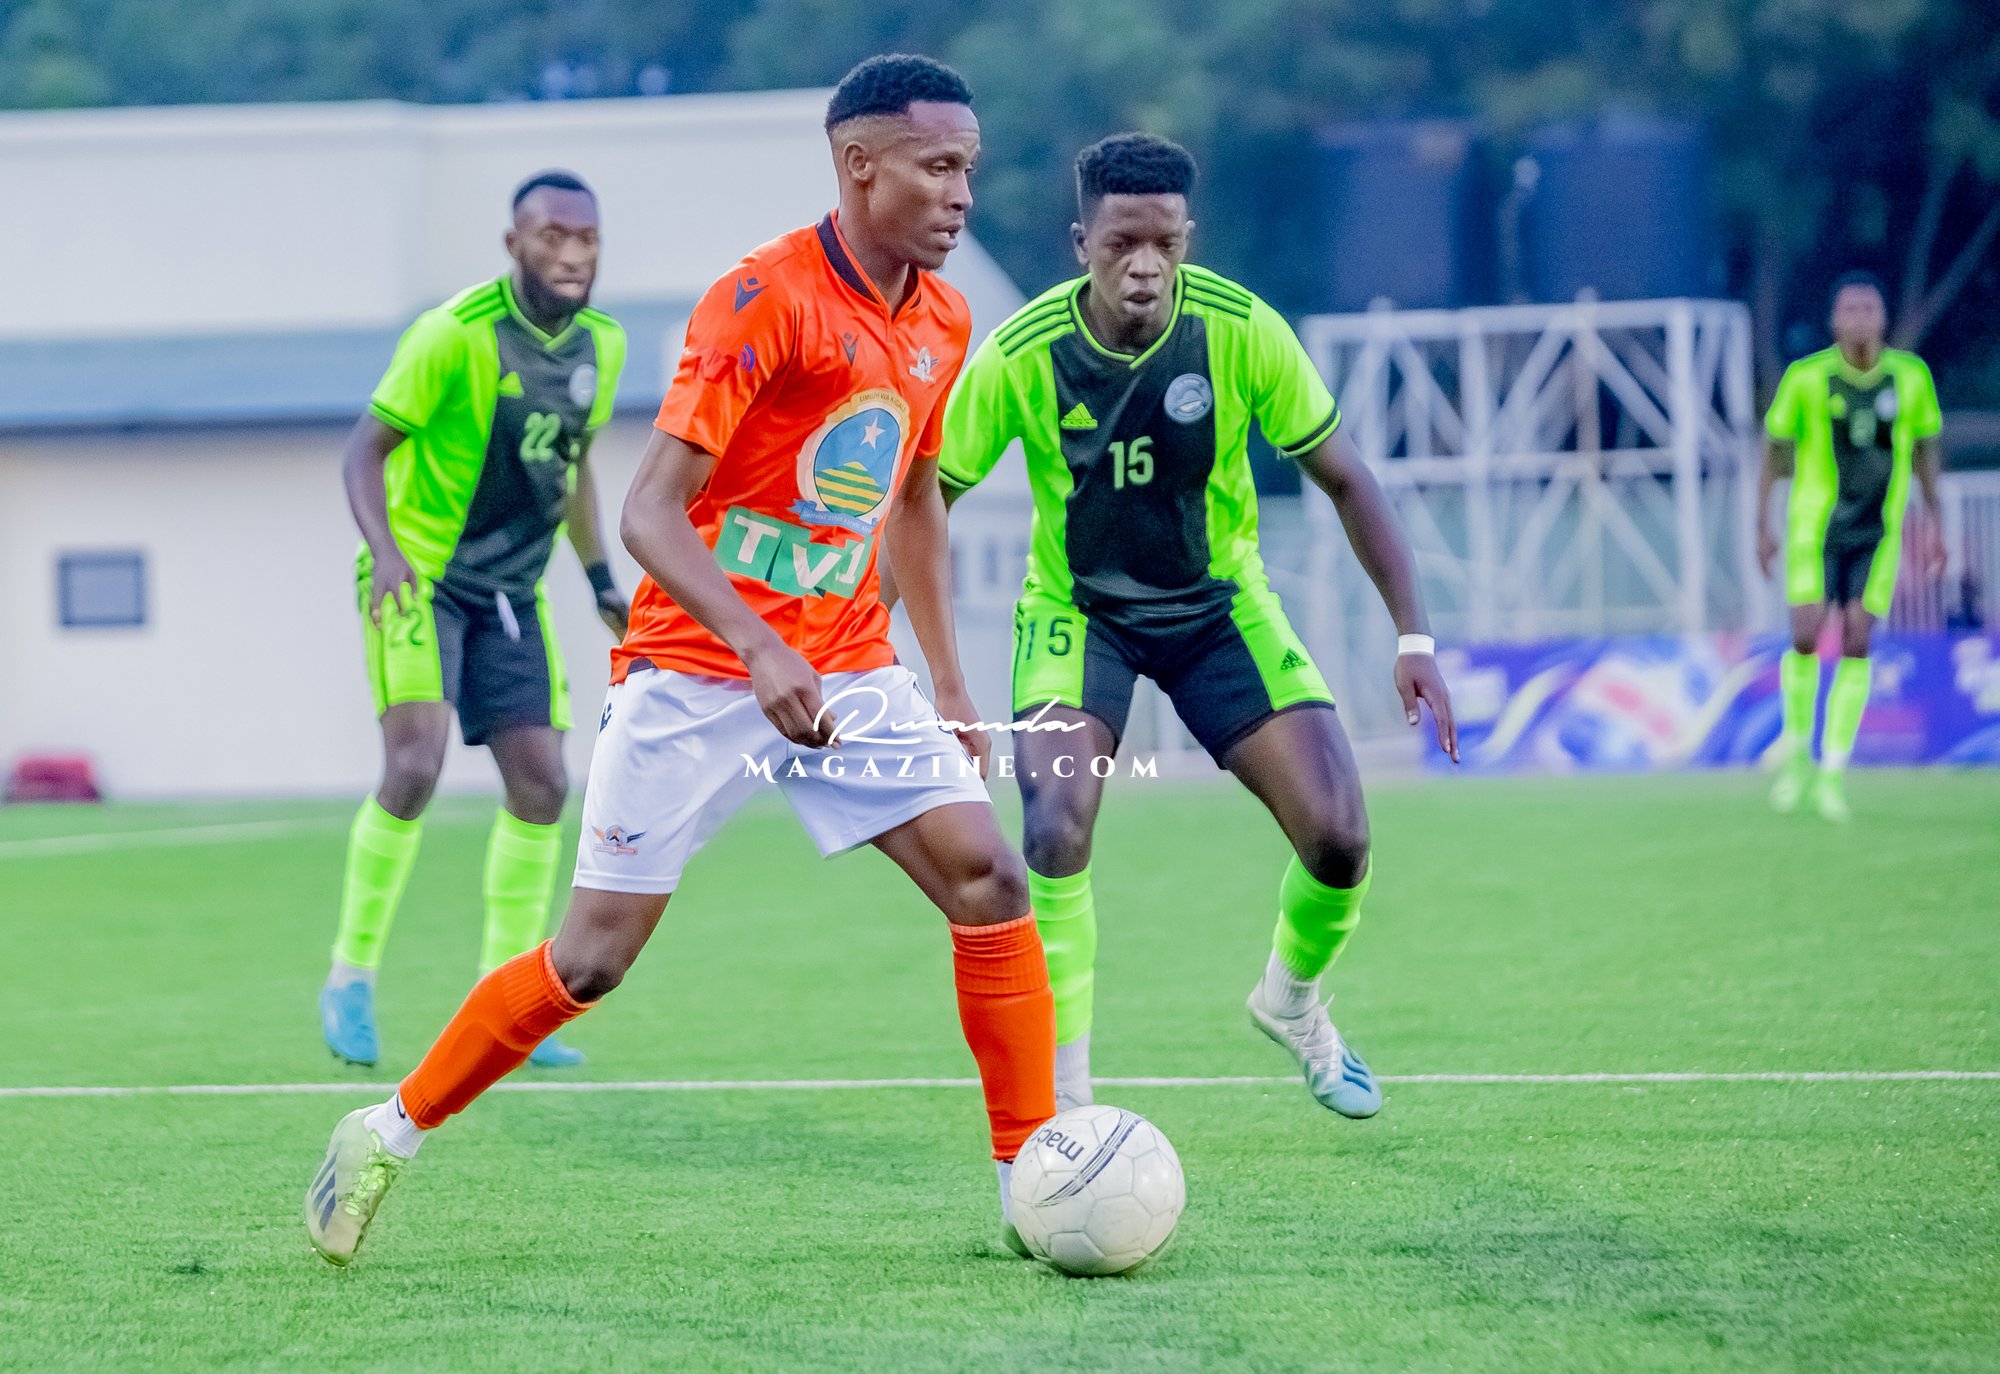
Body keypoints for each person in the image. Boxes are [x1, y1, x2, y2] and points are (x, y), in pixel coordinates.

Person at [305, 54, 1057, 1268]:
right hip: (699, 670)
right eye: (936, 166)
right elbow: (650, 511)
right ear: (858, 166)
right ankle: (384, 1131)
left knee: (989, 879)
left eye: (968, 168)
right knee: (590, 960)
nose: (960, 193)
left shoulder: (942, 319)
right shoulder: (760, 299)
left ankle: (1032, 1182)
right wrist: (756, 646)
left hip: (845, 663)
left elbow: (916, 501)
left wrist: (950, 684)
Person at [935, 133, 1455, 1118]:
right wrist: (884, 651)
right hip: (1078, 615)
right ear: (1080, 243)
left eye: (1164, 245)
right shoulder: (1020, 354)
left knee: (1339, 839)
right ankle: (1068, 1105)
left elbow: (1346, 478)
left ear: (1187, 239)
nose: (1144, 266)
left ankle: (1290, 1002)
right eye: (1120, 244)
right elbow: (929, 500)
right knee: (1054, 827)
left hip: (1219, 611)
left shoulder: (1241, 330)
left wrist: (1413, 638)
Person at [322, 170, 629, 1069]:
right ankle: (349, 977)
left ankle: (508, 1004)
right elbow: (364, 451)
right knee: (414, 764)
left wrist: (602, 579)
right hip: (418, 578)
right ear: (514, 244)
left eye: (586, 238)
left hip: (513, 593)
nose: (572, 253)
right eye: (552, 236)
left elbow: (571, 469)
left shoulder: (603, 347)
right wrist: (385, 552)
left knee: (542, 785)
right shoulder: (453, 334)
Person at [1758, 270, 1946, 821]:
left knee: (1859, 640)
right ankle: (1797, 755)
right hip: (1814, 528)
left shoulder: (1910, 378)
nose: (1860, 319)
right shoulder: (1806, 377)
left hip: (1877, 532)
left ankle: (1832, 774)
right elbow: (1773, 452)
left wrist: (1937, 522)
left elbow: (1925, 453)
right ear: (1834, 320)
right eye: (1851, 310)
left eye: (1870, 309)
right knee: (1805, 632)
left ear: (1883, 319)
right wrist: (1760, 526)